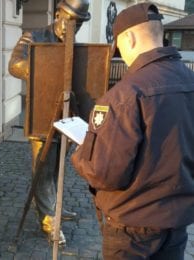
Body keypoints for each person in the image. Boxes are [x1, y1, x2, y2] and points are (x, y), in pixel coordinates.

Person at [71, 3, 194, 259]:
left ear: (131, 38)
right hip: (177, 221)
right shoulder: (190, 82)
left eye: (120, 47)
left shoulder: (124, 95)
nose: (123, 56)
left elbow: (104, 173)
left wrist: (82, 154)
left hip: (132, 232)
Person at [8, 0, 91, 244]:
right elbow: (14, 65)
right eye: (68, 21)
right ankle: (47, 219)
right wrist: (47, 66)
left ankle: (54, 207)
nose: (71, 29)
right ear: (57, 14)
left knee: (57, 168)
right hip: (42, 115)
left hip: (67, 117)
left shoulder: (74, 44)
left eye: (77, 25)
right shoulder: (33, 36)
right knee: (43, 171)